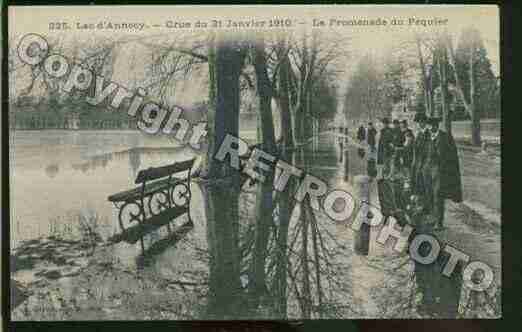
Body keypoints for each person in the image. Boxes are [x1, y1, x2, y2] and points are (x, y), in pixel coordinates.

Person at [421, 117, 463, 229]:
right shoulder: (425, 136)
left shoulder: (446, 137)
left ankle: (439, 222)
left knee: (438, 195)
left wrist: (447, 169)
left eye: (432, 126)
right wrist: (423, 167)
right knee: (429, 194)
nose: (430, 128)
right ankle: (433, 218)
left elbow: (452, 155)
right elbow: (421, 152)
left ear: (436, 126)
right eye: (428, 126)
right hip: (427, 169)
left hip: (439, 170)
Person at [410, 112, 430, 204]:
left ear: (425, 123)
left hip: (425, 160)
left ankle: (426, 200)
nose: (419, 124)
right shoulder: (418, 133)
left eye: (421, 122)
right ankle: (419, 198)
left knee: (424, 180)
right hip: (417, 160)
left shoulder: (428, 133)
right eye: (418, 122)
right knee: (416, 178)